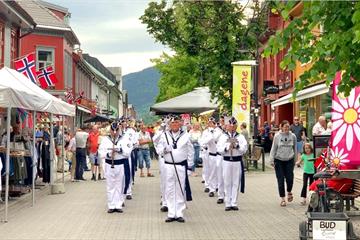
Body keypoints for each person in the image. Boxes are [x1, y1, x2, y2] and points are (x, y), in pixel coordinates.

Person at [158, 115, 194, 223]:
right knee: (169, 189)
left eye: (176, 123)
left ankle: (179, 213)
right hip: (168, 165)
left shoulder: (186, 136)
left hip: (180, 165)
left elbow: (191, 152)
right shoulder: (164, 135)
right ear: (169, 125)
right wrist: (165, 149)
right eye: (172, 123)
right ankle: (171, 213)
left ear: (180, 124)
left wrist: (190, 167)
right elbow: (158, 150)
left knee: (180, 189)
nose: (174, 125)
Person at [98, 122, 132, 213]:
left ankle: (118, 204)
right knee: (110, 185)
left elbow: (128, 151)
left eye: (116, 130)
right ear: (110, 130)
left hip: (120, 164)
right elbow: (101, 152)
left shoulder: (124, 139)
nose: (114, 132)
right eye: (113, 130)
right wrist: (109, 154)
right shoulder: (106, 140)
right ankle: (111, 205)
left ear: (119, 130)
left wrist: (120, 150)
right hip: (109, 164)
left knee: (119, 185)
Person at [217, 117, 247, 211]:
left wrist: (237, 146)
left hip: (237, 161)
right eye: (230, 125)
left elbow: (244, 149)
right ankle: (227, 203)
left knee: (235, 182)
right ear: (227, 126)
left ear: (237, 126)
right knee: (227, 181)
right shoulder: (223, 136)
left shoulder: (240, 137)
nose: (232, 127)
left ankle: (234, 202)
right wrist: (226, 148)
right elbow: (219, 149)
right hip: (226, 161)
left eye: (234, 125)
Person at [270, 120, 297, 207]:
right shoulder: (277, 136)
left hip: (289, 159)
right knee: (280, 180)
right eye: (285, 127)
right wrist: (271, 160)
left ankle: (289, 191)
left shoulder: (293, 136)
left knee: (290, 179)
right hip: (279, 160)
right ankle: (282, 198)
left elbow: (295, 148)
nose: (287, 128)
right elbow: (273, 148)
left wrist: (295, 160)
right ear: (281, 127)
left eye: (288, 127)